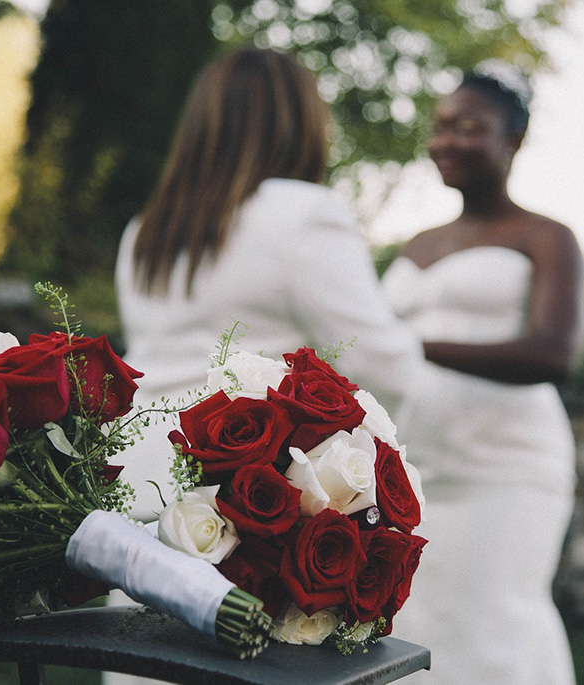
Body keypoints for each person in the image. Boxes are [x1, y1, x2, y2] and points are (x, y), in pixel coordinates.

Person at [106, 46, 439, 685]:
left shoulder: (146, 230)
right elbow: (387, 367)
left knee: (143, 663)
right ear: (299, 122)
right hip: (242, 496)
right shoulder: (304, 214)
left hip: (144, 487)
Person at [380, 69, 584, 685]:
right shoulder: (414, 245)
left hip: (506, 466)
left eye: (470, 128)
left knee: (491, 627)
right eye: (441, 127)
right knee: (412, 631)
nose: (448, 141)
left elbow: (555, 354)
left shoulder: (546, 237)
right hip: (411, 470)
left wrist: (406, 345)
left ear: (513, 139)